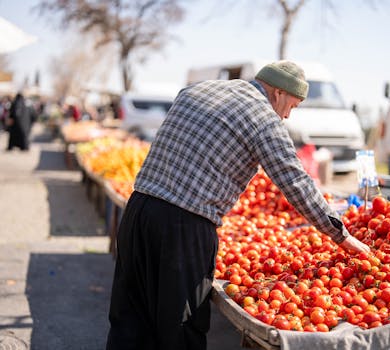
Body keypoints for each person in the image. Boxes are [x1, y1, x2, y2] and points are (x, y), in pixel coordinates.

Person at [106, 60, 370, 350]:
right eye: (291, 107)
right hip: (185, 228)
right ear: (279, 93)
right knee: (182, 327)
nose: (287, 116)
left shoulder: (195, 90)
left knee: (129, 320)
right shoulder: (263, 118)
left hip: (138, 211)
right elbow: (295, 182)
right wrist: (340, 235)